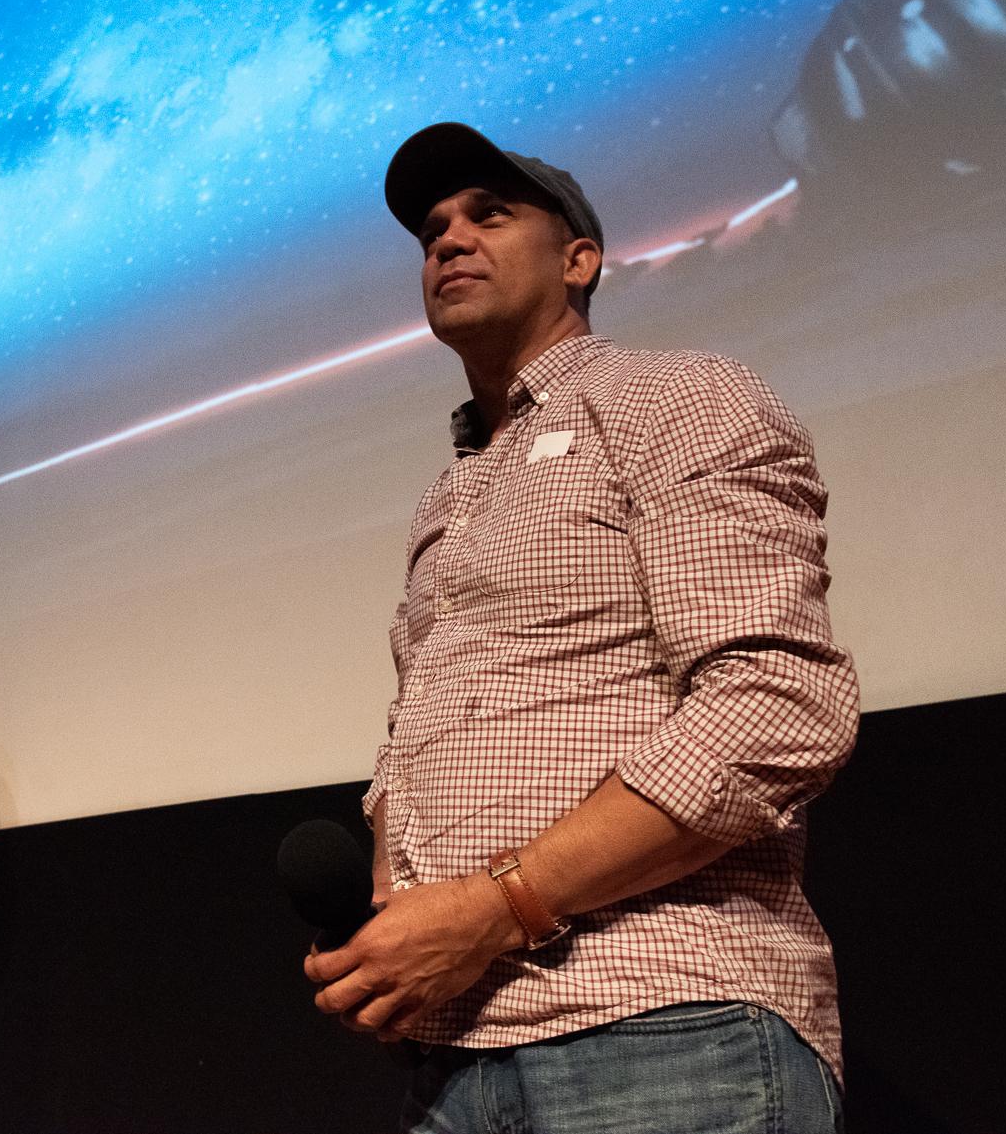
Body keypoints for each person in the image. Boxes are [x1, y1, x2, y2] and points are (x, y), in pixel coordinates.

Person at [304, 122, 859, 1133]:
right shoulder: (448, 493)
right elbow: (411, 735)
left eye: (488, 212)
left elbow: (774, 707)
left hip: (660, 1019)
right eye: (430, 228)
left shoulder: (674, 395)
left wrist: (490, 910)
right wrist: (394, 929)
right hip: (454, 1058)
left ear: (579, 258)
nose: (446, 239)